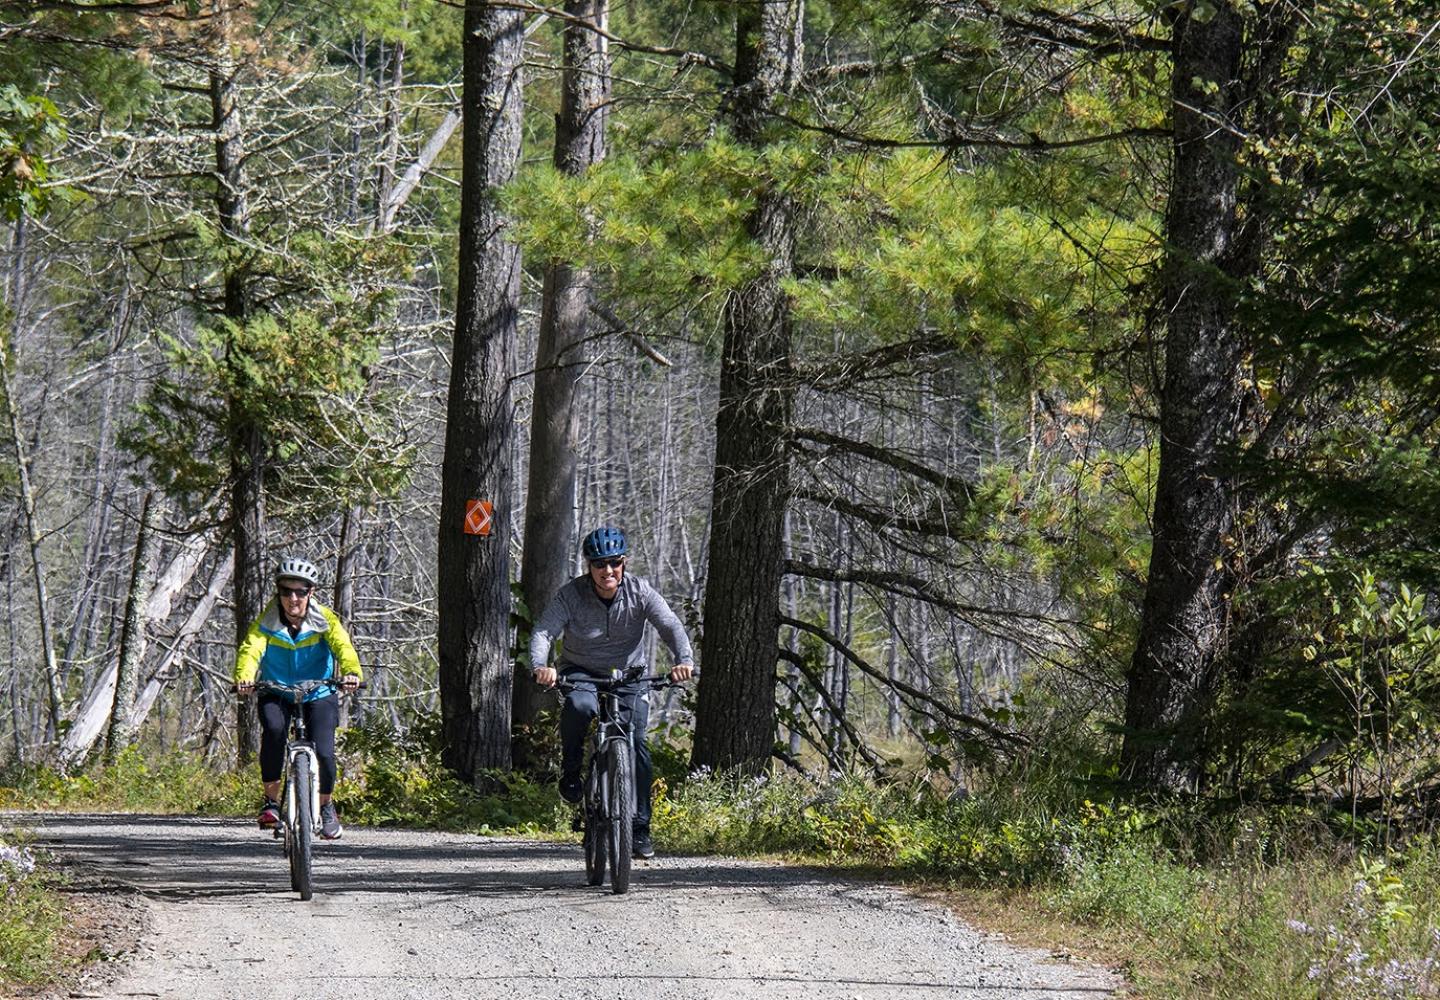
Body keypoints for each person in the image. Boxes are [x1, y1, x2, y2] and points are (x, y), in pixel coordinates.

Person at [530, 525, 695, 860]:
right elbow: (544, 632)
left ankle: (639, 828)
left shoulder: (640, 592)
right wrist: (541, 665)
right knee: (578, 706)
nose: (608, 571)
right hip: (581, 672)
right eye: (599, 564)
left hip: (628, 676)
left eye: (614, 563)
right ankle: (572, 770)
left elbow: (670, 625)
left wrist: (685, 660)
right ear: (588, 567)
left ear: (624, 562)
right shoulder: (571, 596)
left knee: (637, 740)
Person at [234, 556, 362, 840]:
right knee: (274, 732)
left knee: (326, 752)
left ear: (310, 593)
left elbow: (343, 645)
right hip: (276, 689)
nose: (293, 598)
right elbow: (250, 650)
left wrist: (351, 672)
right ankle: (271, 803)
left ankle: (326, 806)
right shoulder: (266, 622)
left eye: (300, 592)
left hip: (318, 690)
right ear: (277, 593)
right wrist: (244, 677)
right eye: (286, 591)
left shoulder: (324, 619)